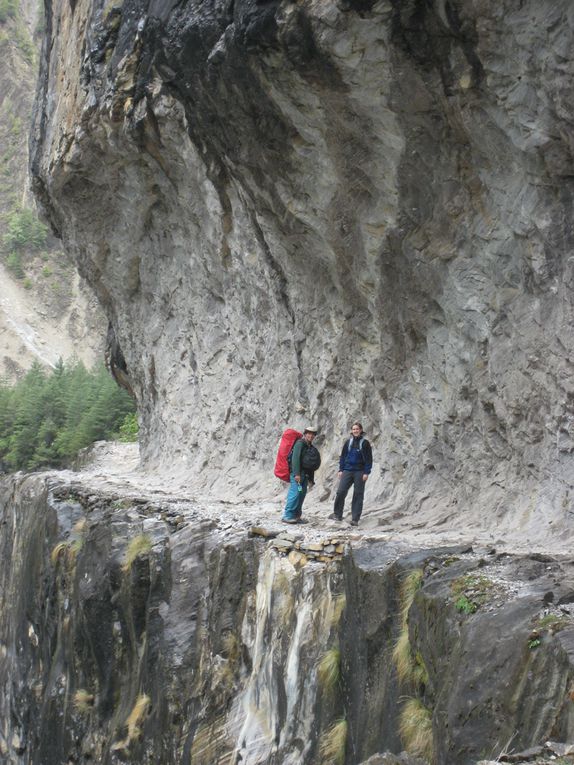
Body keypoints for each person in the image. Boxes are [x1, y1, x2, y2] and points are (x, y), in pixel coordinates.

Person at [331, 422, 372, 526]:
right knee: (341, 492)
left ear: (361, 430)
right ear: (351, 431)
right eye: (353, 429)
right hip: (347, 470)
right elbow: (343, 457)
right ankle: (337, 514)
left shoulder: (365, 443)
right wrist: (341, 470)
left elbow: (369, 459)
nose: (355, 431)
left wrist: (366, 472)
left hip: (360, 471)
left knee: (358, 495)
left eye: (357, 429)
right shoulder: (348, 442)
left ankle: (355, 519)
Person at [281, 427, 318, 524]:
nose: (311, 436)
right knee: (295, 493)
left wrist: (311, 479)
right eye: (309, 434)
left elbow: (310, 465)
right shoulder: (299, 444)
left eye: (313, 434)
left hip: (304, 476)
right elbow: (295, 459)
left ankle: (297, 516)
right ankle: (287, 516)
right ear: (305, 434)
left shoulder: (309, 446)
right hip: (297, 475)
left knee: (301, 494)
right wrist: (296, 474)